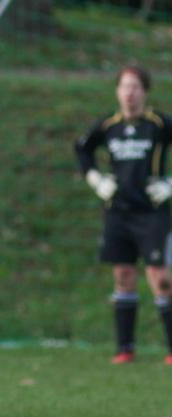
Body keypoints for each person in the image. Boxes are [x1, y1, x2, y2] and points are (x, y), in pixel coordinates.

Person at [75, 65, 172, 365]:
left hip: (152, 212)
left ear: (145, 91)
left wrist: (170, 184)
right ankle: (124, 349)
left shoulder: (158, 124)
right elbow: (83, 149)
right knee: (123, 275)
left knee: (161, 277)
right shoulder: (108, 126)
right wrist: (97, 181)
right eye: (125, 87)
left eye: (135, 87)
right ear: (117, 91)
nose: (129, 93)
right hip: (118, 213)